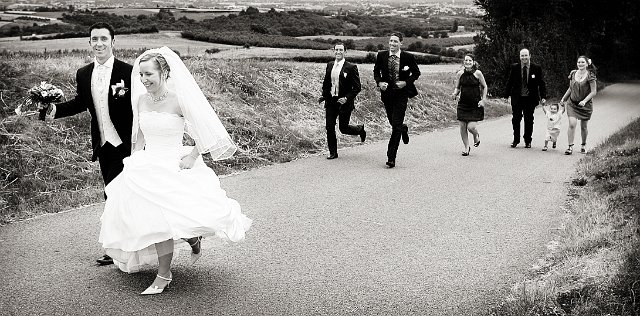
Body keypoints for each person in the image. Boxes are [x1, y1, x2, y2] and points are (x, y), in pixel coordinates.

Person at [98, 47, 252, 295]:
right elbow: (138, 138)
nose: (144, 80)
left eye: (149, 74)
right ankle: (183, 248)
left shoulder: (179, 100)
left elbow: (205, 132)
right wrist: (134, 161)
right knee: (152, 219)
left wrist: (192, 156)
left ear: (164, 72)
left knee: (166, 218)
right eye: (141, 75)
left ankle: (164, 274)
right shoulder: (140, 100)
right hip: (147, 163)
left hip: (173, 161)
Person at [39, 22, 133, 266]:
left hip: (128, 144)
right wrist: (53, 110)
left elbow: (140, 107)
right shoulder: (83, 73)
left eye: (104, 39)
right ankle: (123, 243)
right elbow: (81, 103)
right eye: (94, 39)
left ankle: (118, 246)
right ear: (89, 43)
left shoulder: (129, 72)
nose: (99, 43)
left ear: (114, 41)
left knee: (116, 194)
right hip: (103, 145)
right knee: (114, 195)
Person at [373, 32, 421, 168]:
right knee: (394, 123)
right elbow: (376, 71)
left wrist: (406, 82)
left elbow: (416, 73)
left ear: (401, 43)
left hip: (401, 95)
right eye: (391, 41)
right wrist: (379, 83)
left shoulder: (408, 57)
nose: (392, 44)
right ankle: (403, 129)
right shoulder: (381, 55)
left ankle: (391, 157)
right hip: (387, 95)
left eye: (395, 41)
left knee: (395, 127)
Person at [319, 42, 365, 159]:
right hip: (331, 101)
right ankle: (333, 152)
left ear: (345, 52)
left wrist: (346, 98)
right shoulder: (330, 65)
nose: (338, 52)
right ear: (334, 51)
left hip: (344, 102)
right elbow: (326, 83)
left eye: (341, 50)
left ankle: (360, 130)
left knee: (343, 128)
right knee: (329, 127)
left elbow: (357, 87)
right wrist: (324, 95)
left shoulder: (351, 67)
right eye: (336, 50)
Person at [505, 48, 547, 148]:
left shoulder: (536, 68)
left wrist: (543, 97)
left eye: (526, 55)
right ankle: (516, 140)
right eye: (522, 56)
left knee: (528, 119)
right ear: (520, 57)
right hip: (517, 98)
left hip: (530, 98)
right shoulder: (515, 68)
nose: (524, 57)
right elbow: (510, 81)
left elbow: (541, 83)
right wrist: (506, 95)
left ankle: (528, 140)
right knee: (516, 119)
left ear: (530, 56)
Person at [560, 55, 597, 155]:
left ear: (586, 64)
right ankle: (570, 147)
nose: (580, 64)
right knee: (572, 124)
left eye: (582, 62)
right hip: (572, 103)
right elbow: (570, 88)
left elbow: (593, 92)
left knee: (583, 127)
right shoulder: (573, 73)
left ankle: (583, 145)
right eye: (579, 62)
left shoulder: (590, 75)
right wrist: (563, 99)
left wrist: (584, 101)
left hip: (585, 106)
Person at [451, 54, 487, 156]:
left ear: (473, 62)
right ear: (463, 62)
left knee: (471, 127)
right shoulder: (460, 74)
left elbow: (484, 87)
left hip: (475, 104)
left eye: (470, 60)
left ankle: (476, 135)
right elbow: (457, 87)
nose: (467, 62)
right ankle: (466, 147)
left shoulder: (478, 73)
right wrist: (454, 94)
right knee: (462, 126)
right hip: (463, 104)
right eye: (466, 60)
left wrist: (484, 100)